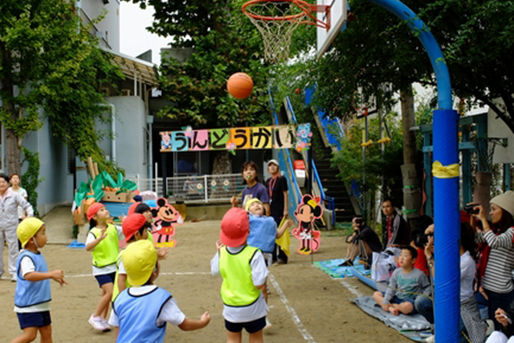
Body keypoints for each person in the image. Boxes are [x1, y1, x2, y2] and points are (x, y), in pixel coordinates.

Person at [109, 240, 210, 342]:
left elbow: (118, 330)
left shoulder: (120, 298)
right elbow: (184, 324)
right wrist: (202, 322)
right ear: (154, 270)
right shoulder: (162, 298)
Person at [211, 207, 269, 343]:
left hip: (231, 307)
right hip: (253, 306)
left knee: (232, 339)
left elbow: (214, 271)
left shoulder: (222, 252)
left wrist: (218, 252)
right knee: (256, 337)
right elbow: (259, 283)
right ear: (247, 231)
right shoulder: (254, 253)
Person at [11, 217, 67, 343]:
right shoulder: (26, 257)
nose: (46, 236)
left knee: (47, 333)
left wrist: (53, 277)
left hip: (40, 303)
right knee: (30, 335)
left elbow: (38, 274)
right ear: (31, 240)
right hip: (29, 305)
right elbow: (29, 275)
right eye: (43, 233)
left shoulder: (36, 254)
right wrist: (50, 275)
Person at [472, 191, 514, 330]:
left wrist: (483, 220)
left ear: (506, 212)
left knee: (498, 328)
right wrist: (474, 221)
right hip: (486, 289)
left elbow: (494, 242)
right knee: (487, 328)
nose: (490, 213)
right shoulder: (496, 230)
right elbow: (478, 241)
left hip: (500, 292)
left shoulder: (512, 232)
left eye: (494, 209)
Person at [85, 202, 123, 332]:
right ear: (95, 217)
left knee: (106, 294)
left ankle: (102, 318)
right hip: (101, 269)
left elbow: (127, 232)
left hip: (114, 267)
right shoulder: (93, 232)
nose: (106, 211)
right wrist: (99, 239)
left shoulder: (113, 228)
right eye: (102, 210)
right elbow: (88, 247)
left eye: (105, 209)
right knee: (110, 292)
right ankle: (95, 316)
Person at [373, 246, 430, 316]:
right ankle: (392, 307)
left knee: (407, 307)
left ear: (413, 260)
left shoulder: (419, 274)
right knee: (376, 294)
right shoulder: (396, 272)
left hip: (409, 300)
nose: (401, 258)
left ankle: (391, 307)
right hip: (397, 297)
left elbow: (427, 288)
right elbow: (391, 288)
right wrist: (386, 300)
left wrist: (421, 297)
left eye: (405, 256)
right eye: (400, 255)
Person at [0, 173, 34, 282]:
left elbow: (27, 205)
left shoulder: (14, 195)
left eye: (3, 182)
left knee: (13, 249)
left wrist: (29, 216)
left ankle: (14, 272)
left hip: (11, 225)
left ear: (7, 183)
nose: (1, 184)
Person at [265, 159, 289, 263]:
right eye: (270, 166)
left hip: (280, 209)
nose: (272, 167)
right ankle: (273, 256)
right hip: (271, 210)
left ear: (278, 167)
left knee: (281, 232)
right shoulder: (267, 181)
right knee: (271, 232)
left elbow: (285, 194)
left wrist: (285, 209)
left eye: (274, 165)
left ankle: (283, 256)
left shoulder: (282, 179)